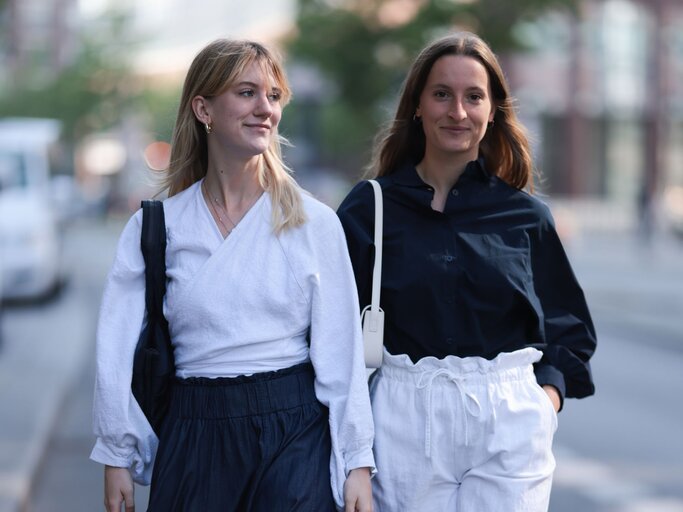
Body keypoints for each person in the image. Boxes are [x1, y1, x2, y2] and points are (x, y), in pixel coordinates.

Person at [90, 39, 374, 512]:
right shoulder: (156, 228)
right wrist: (116, 454)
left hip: (294, 434)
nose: (265, 108)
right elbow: (115, 348)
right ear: (204, 108)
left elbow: (342, 358)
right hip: (194, 434)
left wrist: (357, 463)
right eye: (246, 93)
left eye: (273, 96)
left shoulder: (314, 223)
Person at [337, 32, 597, 512]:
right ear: (417, 105)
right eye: (442, 94)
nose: (458, 111)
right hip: (403, 419)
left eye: (473, 96)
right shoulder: (368, 208)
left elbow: (569, 327)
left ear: (492, 109)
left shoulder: (527, 216)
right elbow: (335, 336)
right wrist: (352, 454)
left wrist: (545, 401)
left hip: (509, 422)